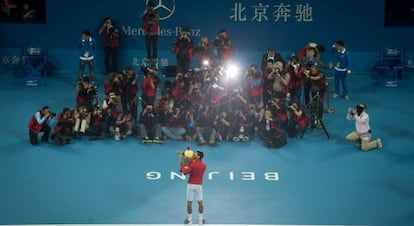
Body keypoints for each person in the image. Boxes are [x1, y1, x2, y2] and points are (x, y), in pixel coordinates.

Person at [181, 150, 207, 225]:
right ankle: (201, 220)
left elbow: (185, 172)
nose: (194, 154)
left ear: (198, 156)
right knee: (200, 202)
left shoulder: (192, 164)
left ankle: (189, 220)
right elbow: (193, 160)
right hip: (199, 186)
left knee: (189, 202)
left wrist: (183, 165)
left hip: (190, 186)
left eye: (195, 154)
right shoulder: (204, 165)